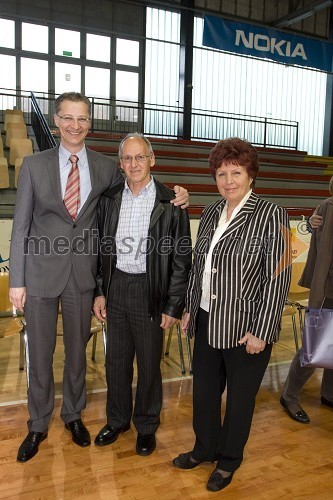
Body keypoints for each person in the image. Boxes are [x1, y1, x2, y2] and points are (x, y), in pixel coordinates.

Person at [9, 92, 189, 463]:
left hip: (83, 279)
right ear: (57, 121)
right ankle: (38, 423)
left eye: (83, 118)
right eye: (68, 118)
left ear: (90, 123)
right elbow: (21, 226)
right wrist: (17, 279)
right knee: (40, 356)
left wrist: (179, 194)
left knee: (77, 356)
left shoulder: (106, 167)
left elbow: (146, 185)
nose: (76, 125)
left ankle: (73, 415)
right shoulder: (32, 165)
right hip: (42, 275)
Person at [172, 137, 291, 492]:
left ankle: (228, 460)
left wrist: (263, 331)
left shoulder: (273, 214)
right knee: (205, 393)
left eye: (235, 172)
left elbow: (278, 279)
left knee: (239, 401)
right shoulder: (210, 211)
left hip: (246, 329)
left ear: (250, 174)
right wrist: (191, 309)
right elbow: (200, 267)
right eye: (221, 173)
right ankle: (204, 448)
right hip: (207, 318)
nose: (228, 180)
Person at [93, 133, 192, 456]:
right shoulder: (109, 199)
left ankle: (147, 425)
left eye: (140, 157)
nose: (134, 164)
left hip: (151, 291)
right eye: (127, 158)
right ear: (120, 164)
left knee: (149, 364)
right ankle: (118, 420)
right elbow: (100, 250)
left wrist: (173, 304)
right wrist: (100, 291)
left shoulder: (171, 202)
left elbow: (181, 259)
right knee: (116, 362)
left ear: (152, 159)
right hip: (117, 287)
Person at [280, 175, 333, 424]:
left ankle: (329, 394)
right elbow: (321, 247)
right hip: (328, 290)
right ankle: (290, 395)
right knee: (314, 349)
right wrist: (312, 224)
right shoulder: (328, 206)